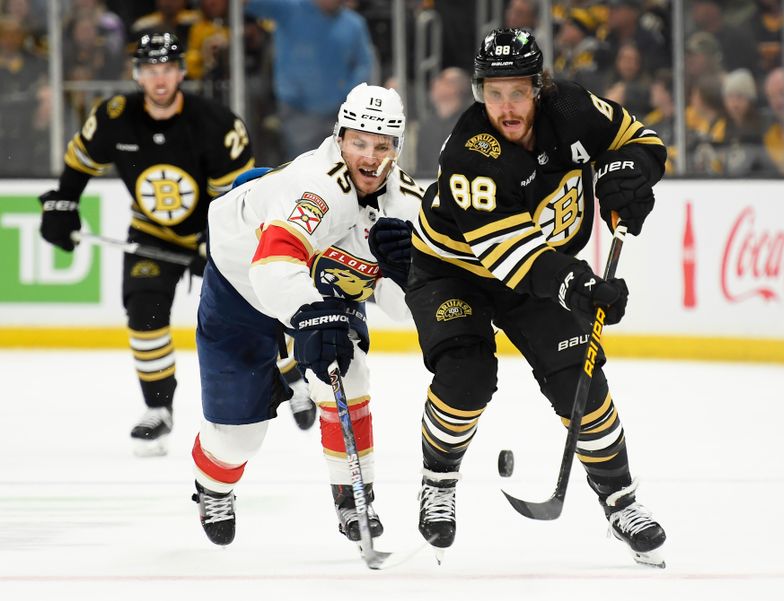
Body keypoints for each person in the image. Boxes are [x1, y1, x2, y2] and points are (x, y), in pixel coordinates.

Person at [406, 27, 667, 568]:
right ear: (480, 93)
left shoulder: (573, 109)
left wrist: (630, 171)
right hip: (454, 270)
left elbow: (642, 139)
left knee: (582, 384)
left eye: (517, 91)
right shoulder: (469, 153)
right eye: (493, 93)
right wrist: (579, 285)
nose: (506, 107)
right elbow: (510, 258)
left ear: (539, 87)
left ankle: (620, 500)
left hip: (542, 269)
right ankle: (438, 480)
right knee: (466, 375)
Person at [189, 83, 424, 547]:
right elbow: (273, 265)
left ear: (397, 148)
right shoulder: (316, 187)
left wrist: (408, 276)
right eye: (358, 142)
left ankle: (355, 500)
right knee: (238, 438)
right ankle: (213, 488)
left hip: (324, 279)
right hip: (243, 280)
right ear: (339, 138)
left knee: (348, 374)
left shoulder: (408, 205)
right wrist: (310, 316)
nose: (370, 157)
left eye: (382, 146)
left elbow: (400, 310)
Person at [37, 32, 259, 457]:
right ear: (138, 74)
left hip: (213, 232)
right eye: (151, 71)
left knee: (248, 309)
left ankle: (288, 373)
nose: (160, 80)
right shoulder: (114, 117)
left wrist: (214, 245)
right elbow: (80, 161)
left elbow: (236, 200)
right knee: (144, 309)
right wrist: (64, 203)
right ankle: (158, 407)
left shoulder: (215, 124)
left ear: (180, 73)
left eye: (168, 70)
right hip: (151, 231)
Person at [245, 0, 374, 162]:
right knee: (302, 170)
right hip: (297, 114)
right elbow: (249, 3)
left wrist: (348, 95)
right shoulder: (289, 8)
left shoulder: (354, 24)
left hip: (338, 115)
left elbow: (364, 64)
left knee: (338, 173)